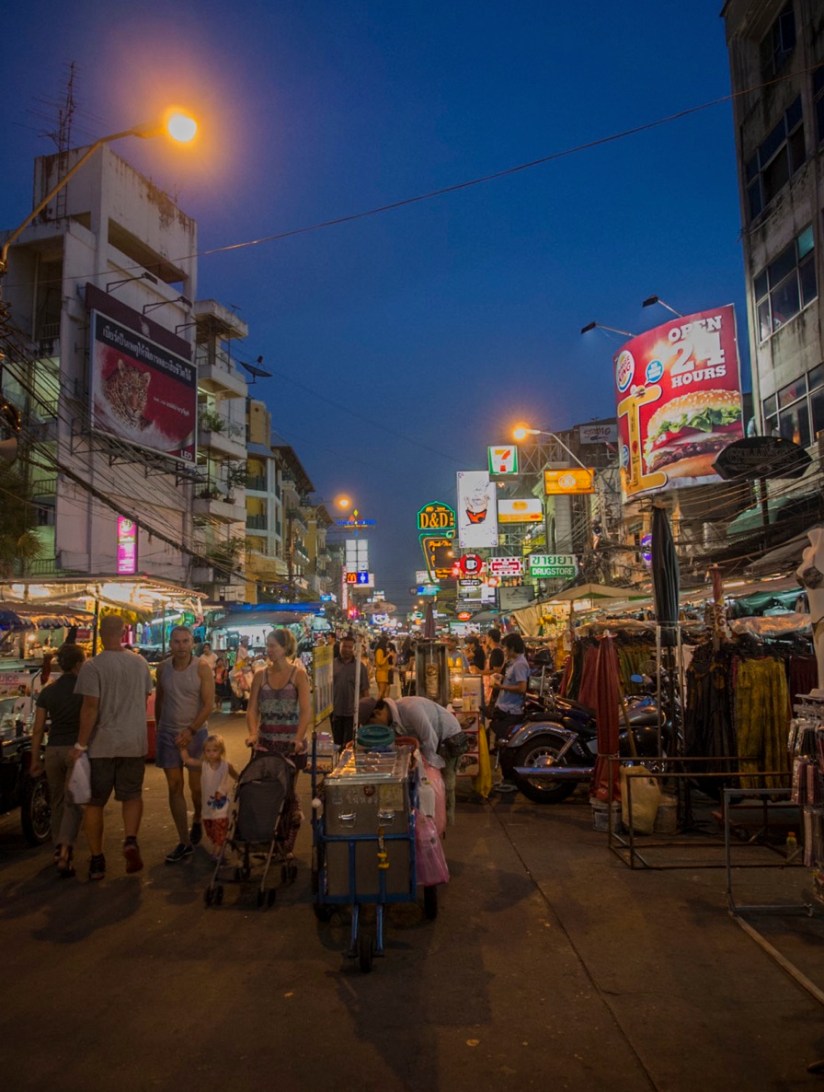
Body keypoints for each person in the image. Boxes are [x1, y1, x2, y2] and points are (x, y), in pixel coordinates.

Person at [71, 614, 154, 880]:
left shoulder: (92, 666)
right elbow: (143, 700)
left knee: (94, 803)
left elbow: (90, 708)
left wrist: (80, 744)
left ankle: (97, 859)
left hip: (102, 745)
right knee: (131, 795)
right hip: (133, 741)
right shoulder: (140, 663)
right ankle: (130, 840)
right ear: (124, 632)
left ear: (99, 633)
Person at [246, 629, 312, 855]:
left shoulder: (299, 675)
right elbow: (252, 709)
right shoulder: (259, 675)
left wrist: (298, 738)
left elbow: (305, 712)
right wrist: (253, 733)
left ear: (285, 648)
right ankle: (264, 838)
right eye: (268, 645)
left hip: (290, 746)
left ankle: (285, 843)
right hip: (265, 742)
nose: (269, 649)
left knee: (286, 793)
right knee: (265, 793)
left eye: (273, 645)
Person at [155, 625, 215, 864]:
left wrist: (190, 731)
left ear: (192, 643)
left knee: (196, 787)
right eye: (176, 641)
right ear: (170, 644)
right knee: (174, 787)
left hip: (196, 734)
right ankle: (184, 841)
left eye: (185, 641)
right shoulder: (163, 669)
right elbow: (160, 699)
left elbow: (208, 704)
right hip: (168, 734)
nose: (181, 646)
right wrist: (160, 728)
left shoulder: (201, 668)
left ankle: (198, 818)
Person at [30, 643, 86, 878]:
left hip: (52, 751)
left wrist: (36, 758)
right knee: (75, 802)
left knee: (57, 801)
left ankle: (57, 846)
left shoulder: (48, 692)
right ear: (77, 664)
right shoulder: (85, 690)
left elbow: (38, 728)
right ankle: (65, 847)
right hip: (76, 751)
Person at [370, 695, 467, 823]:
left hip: (449, 737)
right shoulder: (394, 717)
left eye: (373, 723)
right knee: (431, 783)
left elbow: (429, 737)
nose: (377, 728)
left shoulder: (410, 709)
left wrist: (429, 766)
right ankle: (434, 819)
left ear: (378, 713)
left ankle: (445, 822)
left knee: (446, 783)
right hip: (434, 740)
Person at [181, 734, 238, 858]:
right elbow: (188, 760)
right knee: (210, 829)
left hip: (221, 805)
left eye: (214, 750)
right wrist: (182, 748)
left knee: (220, 826)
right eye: (208, 751)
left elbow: (236, 776)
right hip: (207, 806)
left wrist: (242, 782)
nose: (211, 753)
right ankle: (217, 845)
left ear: (221, 751)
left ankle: (218, 849)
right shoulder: (204, 765)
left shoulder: (225, 765)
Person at [489, 633, 530, 793]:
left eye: (505, 647)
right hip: (505, 708)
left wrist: (501, 687)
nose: (503, 650)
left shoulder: (520, 664)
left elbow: (522, 688)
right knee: (502, 745)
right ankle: (507, 779)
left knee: (507, 748)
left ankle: (511, 781)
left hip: (512, 711)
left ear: (512, 647)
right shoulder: (513, 662)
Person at [331, 633, 370, 749]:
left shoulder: (360, 667)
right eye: (344, 646)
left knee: (349, 745)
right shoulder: (332, 664)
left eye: (349, 647)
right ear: (339, 647)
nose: (347, 649)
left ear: (354, 649)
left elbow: (365, 691)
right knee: (337, 744)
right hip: (335, 712)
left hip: (352, 713)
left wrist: (364, 714)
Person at [374, 635, 394, 699]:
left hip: (384, 673)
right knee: (381, 692)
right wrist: (388, 656)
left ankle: (381, 706)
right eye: (386, 643)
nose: (387, 645)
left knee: (383, 692)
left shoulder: (382, 651)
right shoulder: (379, 651)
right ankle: (377, 706)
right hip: (381, 673)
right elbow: (380, 662)